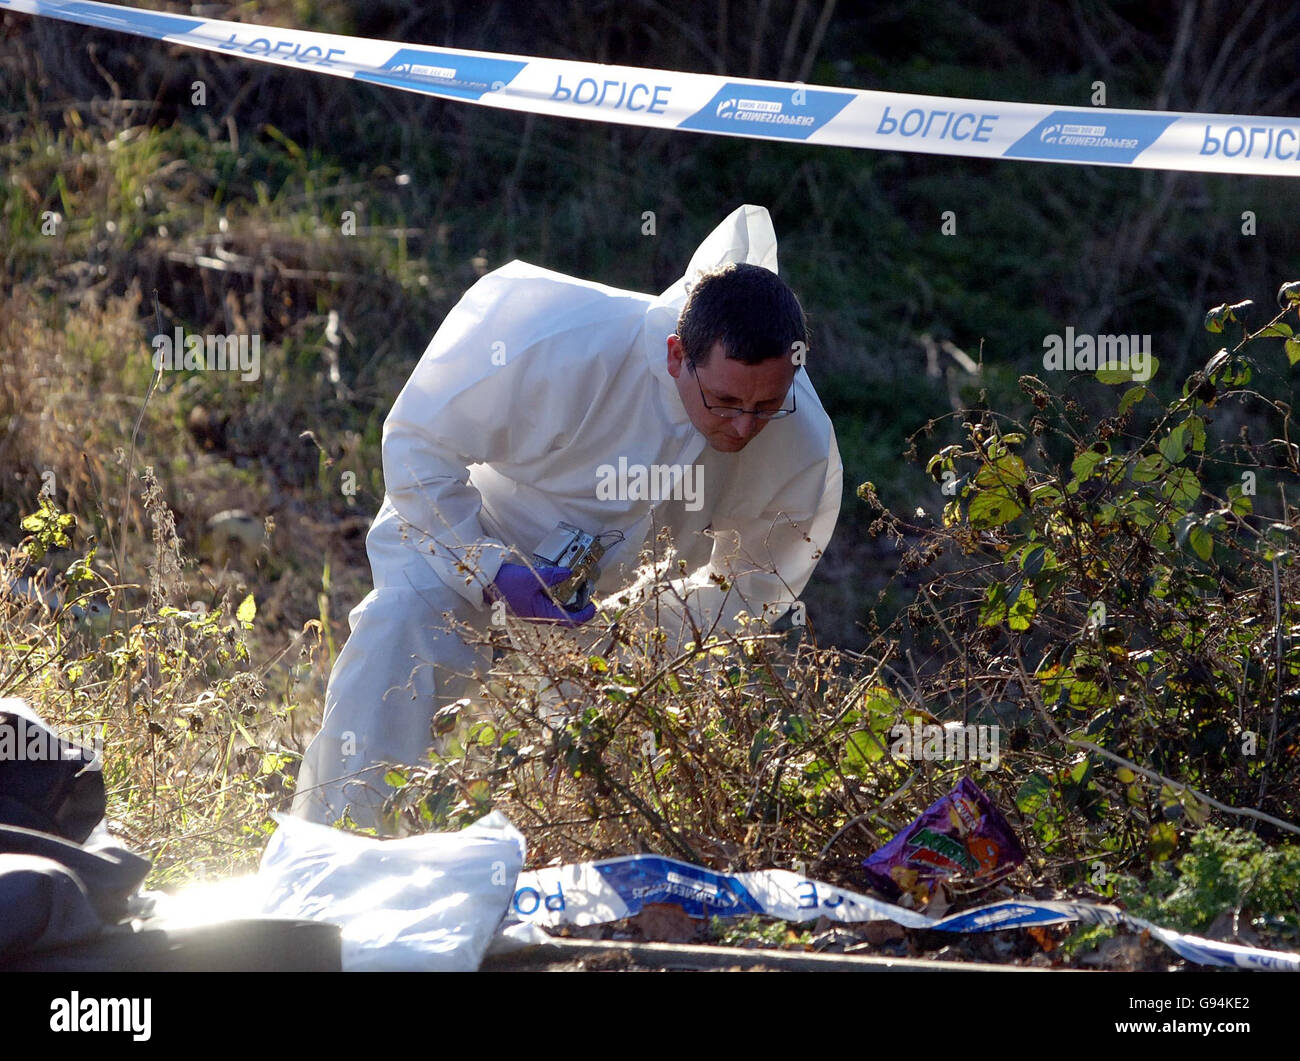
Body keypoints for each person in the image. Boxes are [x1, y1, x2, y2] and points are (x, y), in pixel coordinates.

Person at [291, 204, 842, 830]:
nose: (744, 426)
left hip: (620, 603)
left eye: (765, 405)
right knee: (394, 646)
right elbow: (419, 444)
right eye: (723, 401)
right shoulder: (564, 339)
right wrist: (487, 567)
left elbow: (753, 587)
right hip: (478, 533)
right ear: (674, 355)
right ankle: (331, 857)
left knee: (613, 763)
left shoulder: (799, 437)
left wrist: (645, 635)